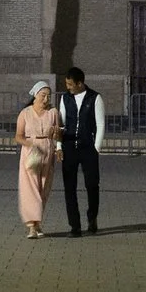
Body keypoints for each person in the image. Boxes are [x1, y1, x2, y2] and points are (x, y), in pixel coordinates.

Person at [58, 66, 105, 236]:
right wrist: (58, 146)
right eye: (67, 84)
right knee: (69, 187)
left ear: (80, 83)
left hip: (88, 148)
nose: (68, 87)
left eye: (70, 84)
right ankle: (74, 226)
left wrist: (96, 148)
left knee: (92, 184)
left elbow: (100, 124)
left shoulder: (95, 98)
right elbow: (61, 124)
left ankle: (92, 218)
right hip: (69, 146)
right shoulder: (65, 99)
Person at [14, 80, 60, 237]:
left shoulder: (53, 113)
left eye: (48, 96)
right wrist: (30, 144)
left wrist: (56, 134)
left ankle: (38, 223)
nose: (46, 99)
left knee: (43, 188)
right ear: (35, 95)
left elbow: (58, 135)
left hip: (48, 150)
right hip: (31, 153)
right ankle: (31, 226)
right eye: (43, 95)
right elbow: (18, 137)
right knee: (31, 188)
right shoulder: (25, 113)